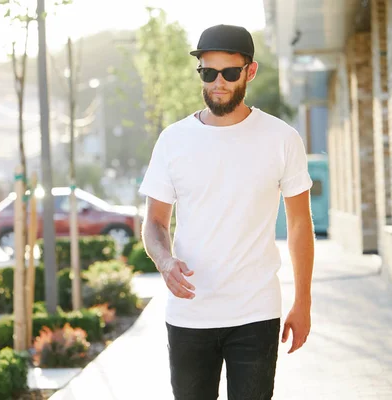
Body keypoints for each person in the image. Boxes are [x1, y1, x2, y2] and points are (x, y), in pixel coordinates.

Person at [139, 24, 314, 400]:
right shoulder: (173, 140)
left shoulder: (282, 138)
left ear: (249, 72)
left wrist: (303, 301)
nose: (218, 82)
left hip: (255, 311)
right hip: (189, 314)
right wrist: (165, 261)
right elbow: (155, 222)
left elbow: (300, 224)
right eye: (208, 72)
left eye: (229, 73)